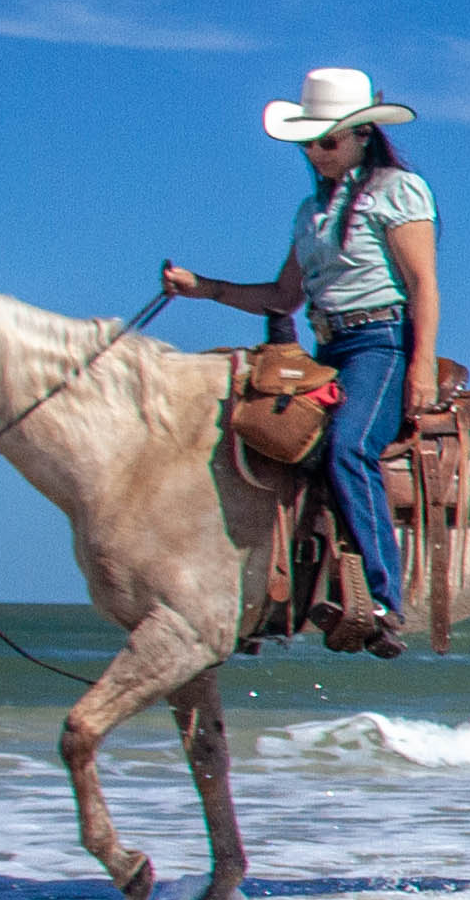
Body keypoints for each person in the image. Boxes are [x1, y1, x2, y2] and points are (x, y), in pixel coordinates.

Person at [169, 67, 442, 654]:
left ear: (362, 135)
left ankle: (384, 598)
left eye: (327, 141)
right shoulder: (311, 212)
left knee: (349, 446)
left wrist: (420, 367)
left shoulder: (398, 190)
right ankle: (274, 595)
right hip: (328, 349)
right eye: (309, 142)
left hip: (381, 344)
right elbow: (282, 298)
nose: (315, 153)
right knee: (270, 440)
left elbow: (422, 284)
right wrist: (203, 288)